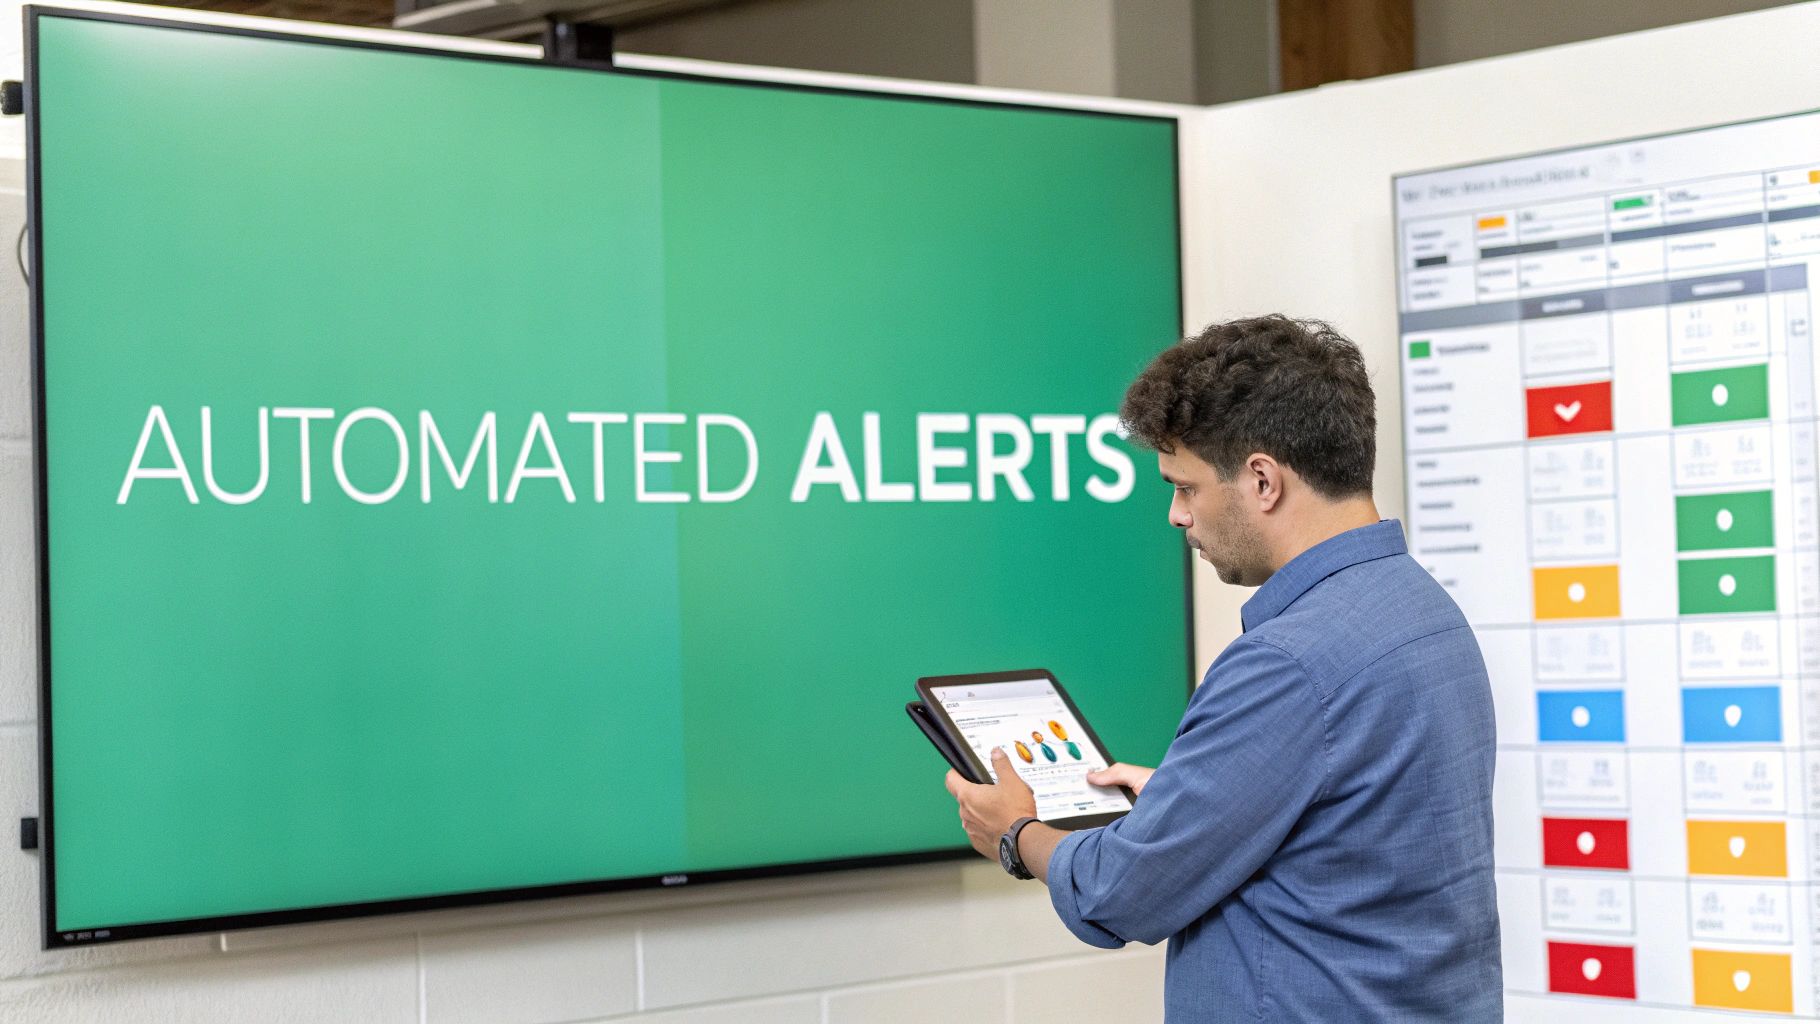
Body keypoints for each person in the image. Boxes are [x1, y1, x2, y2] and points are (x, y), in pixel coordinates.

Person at [943, 315, 1501, 1021]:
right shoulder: (1425, 612)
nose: (1176, 516)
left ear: (1263, 480)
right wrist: (1189, 801)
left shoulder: (1286, 664)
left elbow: (1120, 892)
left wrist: (1018, 836)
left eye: (1185, 486)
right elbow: (1351, 830)